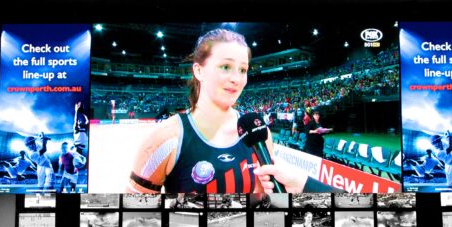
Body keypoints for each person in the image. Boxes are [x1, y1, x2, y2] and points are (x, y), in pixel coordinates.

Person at [128, 28, 336, 195]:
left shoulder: (259, 133)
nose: (237, 79)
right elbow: (136, 220)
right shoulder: (165, 139)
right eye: (226, 67)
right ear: (198, 70)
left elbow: (265, 201)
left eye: (243, 69)